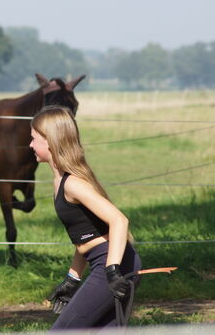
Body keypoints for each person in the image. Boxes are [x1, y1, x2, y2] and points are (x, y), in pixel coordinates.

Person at [29, 106, 141, 329]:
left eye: (34, 139)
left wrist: (112, 271)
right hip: (107, 261)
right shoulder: (60, 182)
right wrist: (72, 279)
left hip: (113, 265)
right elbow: (84, 236)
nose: (30, 145)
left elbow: (119, 220)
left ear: (49, 141)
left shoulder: (73, 184)